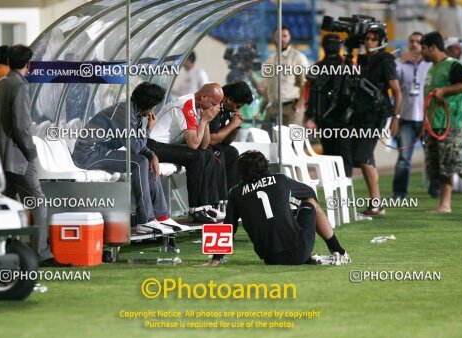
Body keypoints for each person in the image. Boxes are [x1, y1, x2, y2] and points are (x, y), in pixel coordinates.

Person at [72, 82, 188, 233]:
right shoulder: (125, 114)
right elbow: (134, 147)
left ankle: (161, 216)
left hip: (100, 151)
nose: (154, 109)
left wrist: (152, 154)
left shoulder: (134, 111)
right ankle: (145, 220)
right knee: (139, 162)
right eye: (154, 106)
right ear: (148, 105)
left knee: (147, 161)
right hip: (88, 154)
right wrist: (148, 130)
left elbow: (136, 144)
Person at [202, 151, 350, 266]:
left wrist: (215, 259)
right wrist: (298, 213)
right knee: (311, 202)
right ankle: (339, 250)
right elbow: (309, 192)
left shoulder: (235, 192)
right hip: (300, 250)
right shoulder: (280, 179)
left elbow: (229, 227)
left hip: (271, 259)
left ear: (241, 171)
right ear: (265, 166)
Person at [0, 45, 53, 264]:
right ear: (28, 64)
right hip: (18, 158)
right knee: (38, 203)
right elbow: (22, 126)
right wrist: (31, 152)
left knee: (3, 205)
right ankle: (41, 252)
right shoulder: (20, 87)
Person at [148, 83, 225, 223]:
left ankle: (208, 205)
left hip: (166, 145)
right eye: (214, 103)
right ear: (204, 96)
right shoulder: (186, 106)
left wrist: (206, 122)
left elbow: (204, 144)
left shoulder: (199, 106)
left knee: (207, 153)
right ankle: (196, 209)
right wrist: (204, 120)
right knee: (196, 157)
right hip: (152, 146)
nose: (215, 108)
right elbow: (194, 144)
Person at [420, 31, 462, 212]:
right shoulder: (434, 67)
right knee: (444, 166)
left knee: (458, 164)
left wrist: (444, 90)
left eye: (424, 48)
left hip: (453, 124)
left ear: (433, 47)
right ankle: (445, 205)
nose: (422, 52)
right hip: (436, 124)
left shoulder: (453, 65)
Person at [350, 27, 402, 215]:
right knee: (366, 159)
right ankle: (375, 202)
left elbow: (396, 90)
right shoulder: (363, 60)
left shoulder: (386, 60)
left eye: (373, 39)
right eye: (367, 39)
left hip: (376, 115)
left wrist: (396, 117)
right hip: (361, 114)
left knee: (363, 157)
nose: (368, 42)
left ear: (381, 41)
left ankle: (376, 203)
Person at [392, 32, 438, 199]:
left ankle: (436, 189)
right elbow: (392, 80)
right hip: (406, 118)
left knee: (432, 156)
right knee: (404, 158)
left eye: (418, 42)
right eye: (411, 41)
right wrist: (400, 60)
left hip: (427, 119)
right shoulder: (402, 65)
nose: (414, 44)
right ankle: (399, 193)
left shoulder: (431, 65)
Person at [305, 34, 353, 177]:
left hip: (334, 118)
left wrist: (311, 117)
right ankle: (340, 186)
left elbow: (311, 94)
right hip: (337, 119)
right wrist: (311, 117)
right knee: (339, 154)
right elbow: (312, 93)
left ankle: (339, 187)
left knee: (334, 154)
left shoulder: (346, 65)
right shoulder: (347, 65)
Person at [260, 26, 309, 130]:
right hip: (273, 108)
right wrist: (261, 109)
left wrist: (297, 107)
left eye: (285, 36)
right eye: (278, 36)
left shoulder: (298, 57)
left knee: (290, 144)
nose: (282, 39)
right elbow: (266, 88)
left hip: (291, 108)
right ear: (273, 38)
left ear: (290, 37)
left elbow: (305, 84)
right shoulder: (270, 60)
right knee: (265, 141)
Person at [209, 81, 253, 190]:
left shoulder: (226, 110)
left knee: (231, 151)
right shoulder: (214, 107)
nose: (236, 110)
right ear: (228, 99)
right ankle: (228, 195)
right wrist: (232, 124)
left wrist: (236, 127)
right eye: (237, 106)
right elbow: (212, 140)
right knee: (230, 153)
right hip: (193, 145)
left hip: (209, 147)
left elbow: (225, 142)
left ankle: (232, 193)